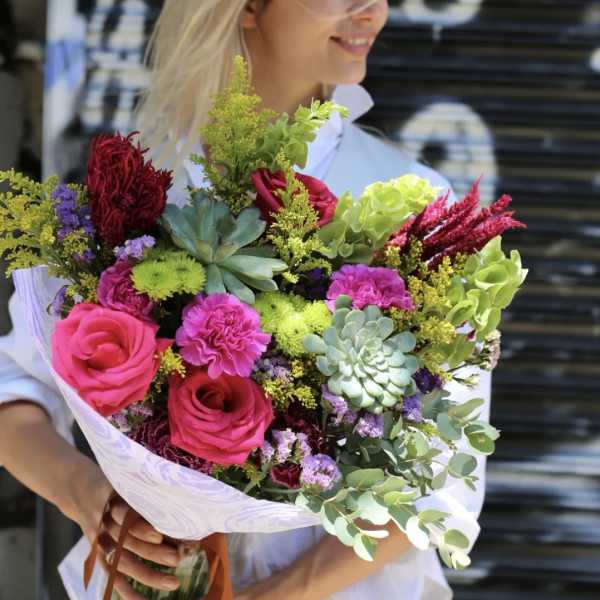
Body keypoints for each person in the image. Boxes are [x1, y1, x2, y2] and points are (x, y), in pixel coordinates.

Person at [0, 1, 492, 599]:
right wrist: (90, 500)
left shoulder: (417, 207)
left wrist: (277, 593)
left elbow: (442, 482)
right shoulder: (145, 186)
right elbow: (14, 389)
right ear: (250, 6)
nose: (370, 12)